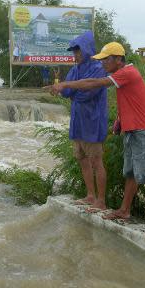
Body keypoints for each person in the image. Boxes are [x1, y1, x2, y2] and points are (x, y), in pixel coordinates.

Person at [47, 41, 145, 239]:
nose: (102, 63)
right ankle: (124, 210)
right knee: (130, 174)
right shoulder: (127, 75)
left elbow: (93, 84)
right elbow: (143, 98)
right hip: (132, 130)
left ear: (118, 60)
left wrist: (65, 84)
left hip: (139, 132)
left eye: (106, 59)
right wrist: (143, 120)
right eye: (101, 59)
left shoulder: (126, 73)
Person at [60, 31, 109, 211]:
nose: (76, 55)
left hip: (93, 122)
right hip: (78, 122)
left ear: (87, 49)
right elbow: (65, 93)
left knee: (96, 161)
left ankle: (101, 201)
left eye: (78, 51)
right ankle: (90, 195)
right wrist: (71, 89)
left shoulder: (98, 68)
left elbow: (87, 94)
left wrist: (72, 89)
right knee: (82, 159)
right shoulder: (75, 69)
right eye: (74, 51)